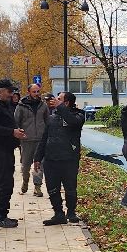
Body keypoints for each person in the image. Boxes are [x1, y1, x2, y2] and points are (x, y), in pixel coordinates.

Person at [0, 79, 27, 228]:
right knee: (5, 182)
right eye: (9, 91)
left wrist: (16, 132)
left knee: (3, 181)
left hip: (6, 147)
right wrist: (12, 132)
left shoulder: (5, 105)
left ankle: (0, 215)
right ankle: (1, 216)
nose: (12, 94)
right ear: (0, 91)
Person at [39, 92, 86, 225]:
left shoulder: (79, 115)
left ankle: (71, 212)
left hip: (69, 158)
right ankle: (58, 214)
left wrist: (61, 107)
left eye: (59, 99)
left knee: (70, 187)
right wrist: (38, 157)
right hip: (51, 159)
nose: (55, 101)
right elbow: (44, 138)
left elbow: (73, 122)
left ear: (66, 103)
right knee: (52, 187)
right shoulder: (51, 117)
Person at [15, 83, 50, 198]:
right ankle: (25, 182)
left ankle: (37, 187)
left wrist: (47, 134)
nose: (36, 94)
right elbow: (16, 121)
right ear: (29, 92)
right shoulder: (21, 106)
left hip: (40, 139)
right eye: (34, 91)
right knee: (25, 165)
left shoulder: (43, 105)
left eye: (38, 91)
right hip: (27, 139)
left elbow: (47, 121)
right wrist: (19, 133)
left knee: (39, 164)